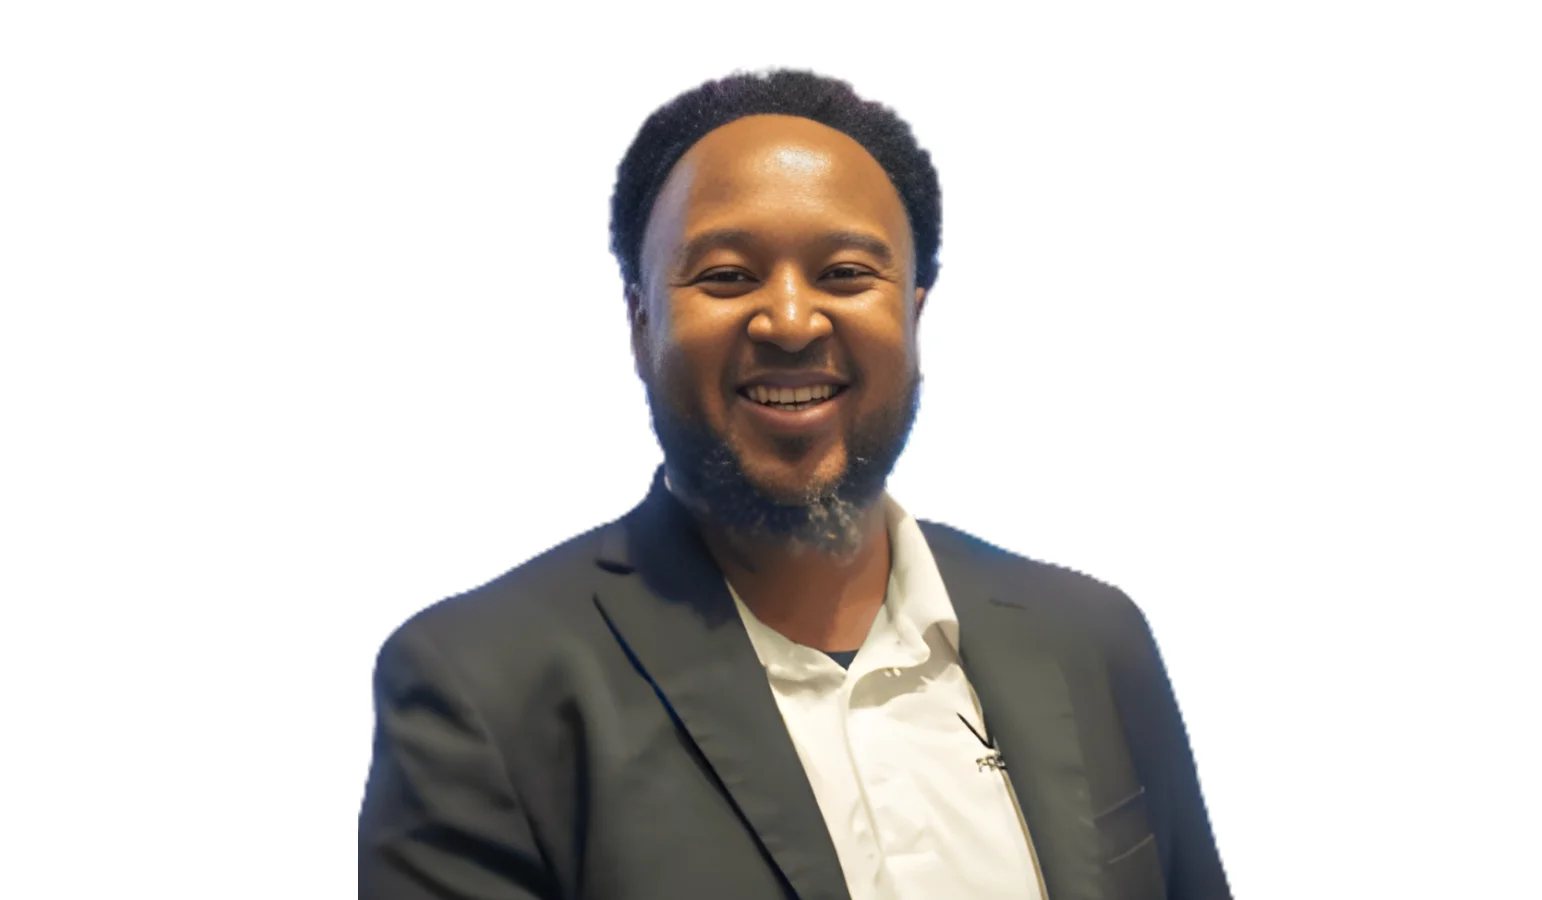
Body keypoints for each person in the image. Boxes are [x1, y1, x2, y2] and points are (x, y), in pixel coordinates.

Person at [358, 68, 1230, 900]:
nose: (788, 321)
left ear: (913, 314)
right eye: (727, 276)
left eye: (845, 274)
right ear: (640, 323)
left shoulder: (1091, 639)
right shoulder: (483, 687)